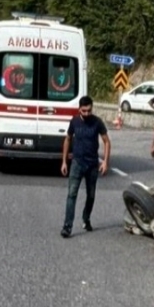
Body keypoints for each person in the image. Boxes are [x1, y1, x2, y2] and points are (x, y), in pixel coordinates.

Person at [60, 95, 110, 238]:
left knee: (91, 195)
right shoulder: (74, 122)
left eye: (89, 110)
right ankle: (67, 226)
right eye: (84, 111)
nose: (87, 114)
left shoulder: (97, 122)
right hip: (77, 163)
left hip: (92, 165)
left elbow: (107, 142)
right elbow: (68, 139)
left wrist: (105, 161)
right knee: (71, 195)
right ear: (79, 110)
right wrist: (64, 161)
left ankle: (86, 218)